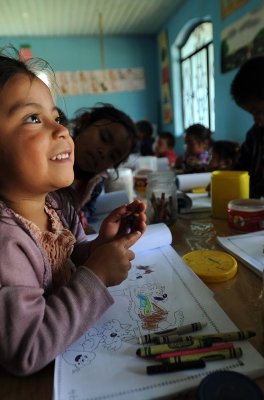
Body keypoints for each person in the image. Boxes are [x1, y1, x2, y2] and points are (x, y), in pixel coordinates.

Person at [0, 50, 146, 376]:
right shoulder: (7, 242)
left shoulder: (57, 203)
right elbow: (27, 347)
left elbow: (65, 259)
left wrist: (98, 248)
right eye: (32, 118)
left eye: (56, 117)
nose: (60, 130)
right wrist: (97, 275)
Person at [70, 104, 138, 232]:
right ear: (84, 122)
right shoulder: (51, 158)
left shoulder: (95, 182)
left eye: (113, 156)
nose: (104, 152)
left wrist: (82, 220)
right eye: (104, 138)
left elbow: (87, 209)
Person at [230, 54, 264, 200]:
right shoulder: (255, 135)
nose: (255, 119)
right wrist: (228, 183)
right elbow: (240, 169)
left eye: (258, 111)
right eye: (251, 113)